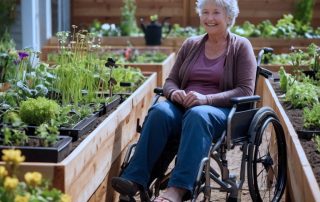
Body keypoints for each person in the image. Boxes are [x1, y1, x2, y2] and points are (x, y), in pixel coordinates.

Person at [111, 0, 257, 201]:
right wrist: (174, 93)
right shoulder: (191, 44)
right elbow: (171, 81)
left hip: (221, 112)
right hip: (184, 107)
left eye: (216, 12)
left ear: (229, 16)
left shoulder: (241, 46)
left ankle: (178, 190)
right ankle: (134, 180)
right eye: (205, 12)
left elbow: (245, 90)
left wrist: (206, 99)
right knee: (160, 112)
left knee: (198, 115)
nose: (209, 18)